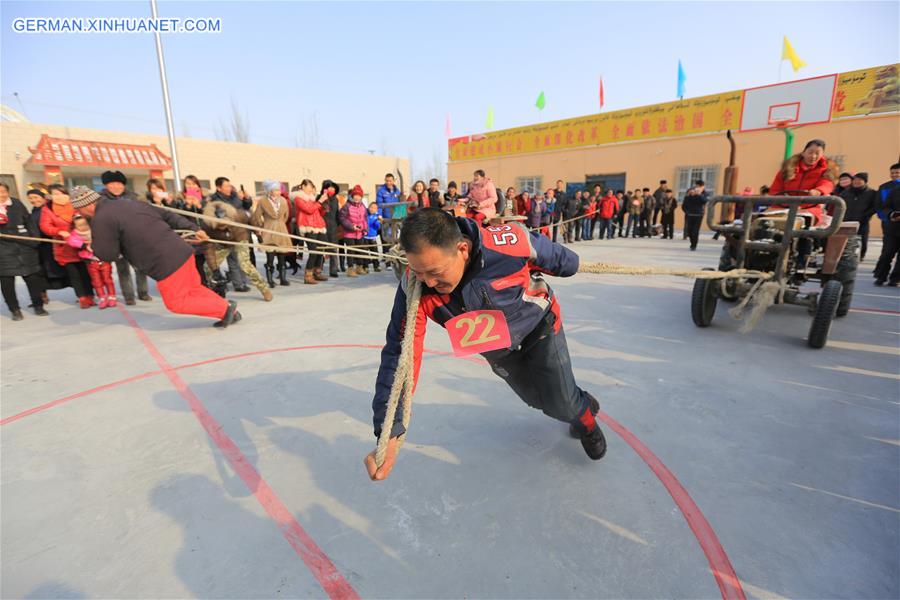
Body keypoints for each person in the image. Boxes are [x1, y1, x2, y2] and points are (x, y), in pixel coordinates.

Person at [364, 209, 607, 481]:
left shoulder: (508, 244)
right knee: (536, 399)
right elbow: (400, 356)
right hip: (496, 348)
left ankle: (586, 423)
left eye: (435, 271)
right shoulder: (415, 287)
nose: (428, 282)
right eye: (419, 272)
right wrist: (390, 431)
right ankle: (578, 400)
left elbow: (567, 262)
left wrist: (556, 262)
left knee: (562, 402)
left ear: (463, 249)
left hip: (540, 328)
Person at [71, 185, 241, 328]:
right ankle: (228, 310)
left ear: (86, 205)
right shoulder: (130, 203)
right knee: (193, 290)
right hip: (181, 250)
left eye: (78, 209)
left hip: (164, 261)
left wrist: (93, 245)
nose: (80, 213)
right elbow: (167, 215)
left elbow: (107, 254)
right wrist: (195, 229)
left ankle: (225, 310)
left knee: (176, 302)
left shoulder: (101, 219)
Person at [96, 171, 153, 304]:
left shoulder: (134, 197)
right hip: (115, 240)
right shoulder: (100, 199)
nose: (116, 187)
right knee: (123, 270)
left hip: (135, 239)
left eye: (119, 184)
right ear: (106, 185)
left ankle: (143, 292)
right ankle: (128, 296)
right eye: (112, 184)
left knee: (140, 268)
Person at [202, 197, 272, 300]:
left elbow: (251, 217)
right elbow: (208, 250)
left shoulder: (238, 214)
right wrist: (215, 269)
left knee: (245, 265)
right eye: (220, 226)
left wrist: (257, 232)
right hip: (222, 243)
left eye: (225, 225)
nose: (223, 227)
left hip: (240, 238)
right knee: (207, 267)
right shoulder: (207, 227)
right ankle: (216, 288)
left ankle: (264, 289)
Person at [40, 184, 95, 308]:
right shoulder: (47, 208)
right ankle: (82, 298)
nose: (59, 197)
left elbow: (86, 217)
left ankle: (90, 295)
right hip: (64, 246)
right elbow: (45, 226)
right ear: (50, 196)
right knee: (74, 274)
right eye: (55, 194)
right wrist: (58, 232)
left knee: (86, 272)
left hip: (82, 241)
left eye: (61, 193)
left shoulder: (74, 204)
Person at [0, 183, 48, 320]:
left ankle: (38, 305)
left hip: (24, 247)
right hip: (3, 251)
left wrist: (34, 240)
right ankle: (14, 309)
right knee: (7, 281)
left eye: (3, 191)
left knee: (33, 278)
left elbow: (29, 222)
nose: (1, 194)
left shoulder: (16, 204)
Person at [767, 139, 838, 226]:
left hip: (809, 208)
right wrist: (786, 201)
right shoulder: (787, 169)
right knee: (763, 221)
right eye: (810, 152)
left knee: (801, 223)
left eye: (817, 153)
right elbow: (775, 190)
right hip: (782, 207)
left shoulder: (827, 171)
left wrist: (818, 191)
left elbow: (827, 184)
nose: (813, 156)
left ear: (822, 155)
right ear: (803, 152)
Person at [210, 177, 253, 292]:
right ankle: (238, 284)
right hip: (226, 233)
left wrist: (247, 198)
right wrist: (238, 200)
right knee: (233, 259)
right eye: (226, 186)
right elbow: (224, 214)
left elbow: (246, 206)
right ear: (219, 188)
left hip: (240, 232)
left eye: (230, 185)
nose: (230, 188)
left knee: (242, 258)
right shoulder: (214, 199)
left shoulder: (234, 195)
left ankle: (242, 281)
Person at [68, 214, 116, 309]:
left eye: (84, 224)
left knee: (107, 279)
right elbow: (71, 241)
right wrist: (84, 246)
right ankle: (102, 297)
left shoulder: (95, 230)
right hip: (90, 261)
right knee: (96, 281)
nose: (83, 227)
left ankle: (112, 296)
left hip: (103, 259)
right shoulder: (75, 234)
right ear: (75, 226)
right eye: (79, 225)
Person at [26, 187, 65, 294]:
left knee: (62, 270)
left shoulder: (49, 209)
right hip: (40, 246)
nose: (33, 200)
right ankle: (42, 295)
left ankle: (82, 294)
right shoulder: (33, 211)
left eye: (36, 197)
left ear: (43, 198)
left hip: (52, 244)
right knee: (41, 271)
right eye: (30, 198)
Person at [253, 181, 293, 287]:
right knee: (270, 256)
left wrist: (280, 223)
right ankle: (270, 279)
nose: (279, 192)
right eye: (276, 190)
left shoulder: (283, 201)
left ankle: (283, 278)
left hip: (281, 229)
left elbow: (286, 215)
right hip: (268, 228)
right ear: (270, 191)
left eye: (279, 190)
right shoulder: (263, 201)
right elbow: (257, 216)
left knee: (281, 255)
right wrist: (262, 226)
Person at [292, 180, 330, 284]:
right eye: (309, 186)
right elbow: (308, 210)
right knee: (313, 251)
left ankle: (317, 271)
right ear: (303, 186)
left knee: (321, 249)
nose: (311, 189)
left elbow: (317, 212)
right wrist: (320, 202)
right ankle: (308, 275)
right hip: (308, 227)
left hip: (318, 226)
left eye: (312, 187)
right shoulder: (298, 198)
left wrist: (324, 207)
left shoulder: (313, 198)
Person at [839, 173, 878, 261]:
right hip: (847, 220)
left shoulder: (871, 193)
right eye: (855, 179)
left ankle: (861, 256)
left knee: (862, 240)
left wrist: (866, 215)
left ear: (865, 181)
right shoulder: (846, 192)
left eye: (859, 180)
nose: (856, 182)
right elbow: (840, 204)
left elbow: (875, 206)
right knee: (845, 240)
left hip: (862, 221)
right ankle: (844, 256)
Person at [339, 185, 370, 277]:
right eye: (355, 195)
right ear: (352, 196)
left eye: (359, 196)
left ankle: (359, 267)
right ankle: (350, 268)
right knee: (351, 251)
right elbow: (342, 218)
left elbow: (365, 218)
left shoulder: (363, 206)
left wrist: (364, 228)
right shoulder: (347, 206)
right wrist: (352, 226)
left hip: (360, 233)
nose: (357, 197)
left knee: (360, 249)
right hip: (349, 233)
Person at [874, 185, 900, 286]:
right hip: (892, 229)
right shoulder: (895, 190)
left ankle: (895, 279)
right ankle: (881, 276)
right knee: (887, 254)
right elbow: (885, 207)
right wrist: (891, 214)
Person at [319, 179, 342, 278]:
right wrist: (323, 199)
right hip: (322, 225)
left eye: (333, 187)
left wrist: (339, 225)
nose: (331, 189)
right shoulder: (320, 197)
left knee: (333, 249)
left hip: (333, 226)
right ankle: (318, 269)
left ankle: (333, 269)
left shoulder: (336, 199)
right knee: (320, 249)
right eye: (329, 187)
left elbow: (337, 213)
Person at [682, 180, 709, 250]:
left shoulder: (704, 193)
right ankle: (692, 242)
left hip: (699, 215)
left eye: (699, 186)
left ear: (702, 186)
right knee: (690, 231)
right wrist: (690, 195)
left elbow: (705, 201)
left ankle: (694, 245)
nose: (697, 188)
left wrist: (699, 194)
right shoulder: (691, 191)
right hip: (690, 215)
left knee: (695, 231)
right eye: (696, 186)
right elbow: (685, 204)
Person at [376, 173, 402, 242]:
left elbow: (399, 205)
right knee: (386, 236)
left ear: (393, 181)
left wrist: (400, 215)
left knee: (395, 236)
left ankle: (393, 251)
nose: (388, 182)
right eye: (387, 181)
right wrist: (379, 215)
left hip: (395, 217)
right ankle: (385, 252)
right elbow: (379, 204)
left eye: (390, 181)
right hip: (385, 218)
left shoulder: (397, 191)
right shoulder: (381, 191)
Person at [364, 200, 383, 272]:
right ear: (368, 207)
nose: (372, 209)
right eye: (371, 207)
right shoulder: (365, 215)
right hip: (365, 237)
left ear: (377, 210)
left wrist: (378, 221)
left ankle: (376, 266)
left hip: (373, 237)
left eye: (374, 208)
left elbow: (378, 227)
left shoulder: (377, 217)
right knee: (365, 253)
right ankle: (365, 267)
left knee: (374, 252)